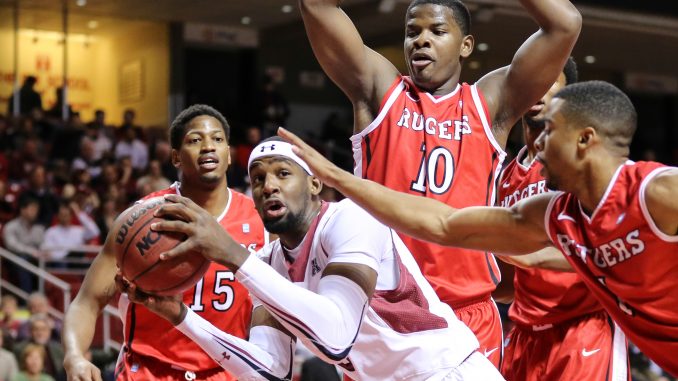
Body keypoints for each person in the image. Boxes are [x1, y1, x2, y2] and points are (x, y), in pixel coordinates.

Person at [277, 80, 678, 376]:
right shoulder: (555, 213)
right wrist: (339, 178)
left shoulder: (655, 191)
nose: (537, 145)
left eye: (549, 129)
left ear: (585, 139)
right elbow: (443, 222)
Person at [299, 0, 581, 365]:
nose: (421, 41)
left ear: (465, 45)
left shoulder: (490, 103)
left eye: (437, 31)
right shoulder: (378, 90)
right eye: (412, 32)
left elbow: (565, 23)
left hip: (467, 311)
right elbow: (316, 6)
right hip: (385, 311)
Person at [123, 137, 504, 380]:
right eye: (257, 179)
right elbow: (270, 370)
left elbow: (336, 337)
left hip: (445, 371)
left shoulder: (351, 219)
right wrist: (181, 317)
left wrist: (235, 256)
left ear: (315, 184)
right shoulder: (270, 263)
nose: (268, 185)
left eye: (282, 174)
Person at [62, 104, 269, 381]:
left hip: (226, 372)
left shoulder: (260, 222)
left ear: (229, 155)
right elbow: (87, 302)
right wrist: (74, 355)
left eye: (218, 139)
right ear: (175, 157)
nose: (209, 147)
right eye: (195, 140)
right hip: (149, 370)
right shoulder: (139, 219)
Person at [492, 60, 629, 380]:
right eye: (532, 77)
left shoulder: (585, 163)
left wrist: (510, 249)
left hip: (582, 330)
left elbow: (606, 252)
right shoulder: (505, 177)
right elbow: (512, 282)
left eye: (549, 81)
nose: (538, 85)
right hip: (525, 335)